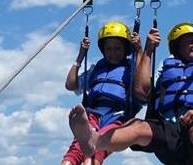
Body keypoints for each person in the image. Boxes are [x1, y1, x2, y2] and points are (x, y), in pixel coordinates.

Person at [68, 22, 193, 165]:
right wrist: (147, 50)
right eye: (192, 41)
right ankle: (95, 141)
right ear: (178, 46)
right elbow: (142, 91)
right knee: (137, 126)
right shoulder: (163, 72)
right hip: (167, 132)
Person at [61, 21, 142, 165]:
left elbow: (144, 87)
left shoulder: (132, 69)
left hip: (118, 115)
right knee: (76, 149)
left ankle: (90, 146)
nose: (113, 53)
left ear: (126, 49)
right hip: (92, 113)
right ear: (103, 50)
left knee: (100, 144)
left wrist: (139, 50)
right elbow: (70, 85)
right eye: (108, 49)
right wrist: (81, 56)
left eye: (117, 48)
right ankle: (78, 153)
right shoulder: (96, 70)